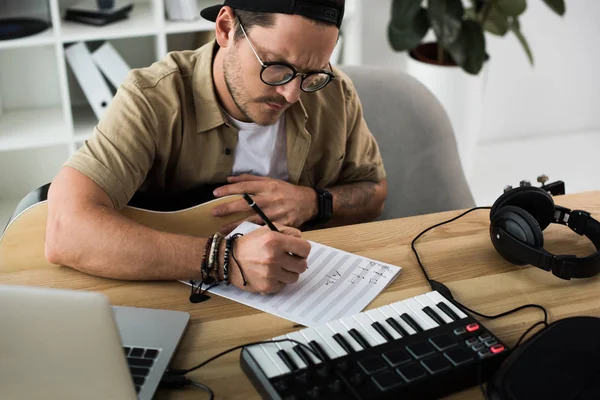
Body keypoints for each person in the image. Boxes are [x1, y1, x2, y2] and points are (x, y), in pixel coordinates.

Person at [45, 0, 387, 294]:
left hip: (302, 294)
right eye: (277, 67)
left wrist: (314, 202)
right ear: (225, 28)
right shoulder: (152, 99)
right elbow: (65, 229)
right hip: (177, 297)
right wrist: (224, 258)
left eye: (312, 74)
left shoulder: (335, 93)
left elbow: (374, 192)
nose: (292, 94)